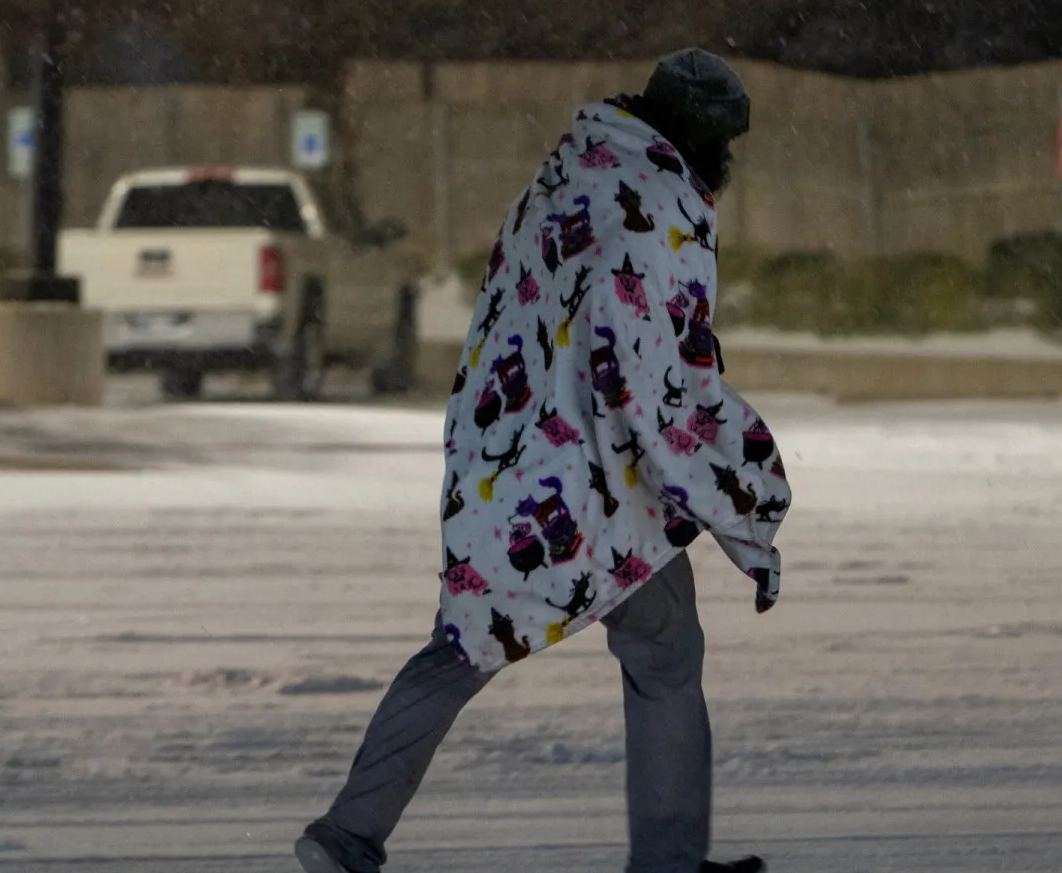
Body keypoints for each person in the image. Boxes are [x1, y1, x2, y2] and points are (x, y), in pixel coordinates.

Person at [296, 49, 793, 873]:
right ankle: (668, 860)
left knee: (463, 644)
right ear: (708, 143)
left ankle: (346, 833)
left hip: (508, 460)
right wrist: (741, 476)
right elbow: (656, 373)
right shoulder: (657, 203)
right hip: (602, 481)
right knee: (665, 655)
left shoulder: (572, 172)